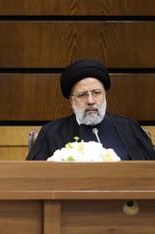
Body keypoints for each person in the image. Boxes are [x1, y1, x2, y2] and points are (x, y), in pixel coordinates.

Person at [27, 59, 155, 160]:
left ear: (105, 94)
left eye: (96, 93)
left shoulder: (129, 128)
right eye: (82, 95)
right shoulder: (51, 133)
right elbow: (33, 180)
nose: (90, 101)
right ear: (72, 101)